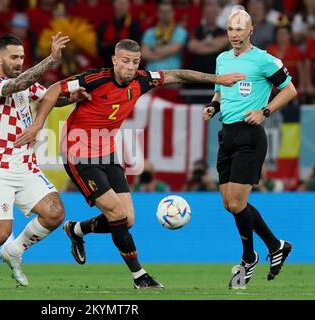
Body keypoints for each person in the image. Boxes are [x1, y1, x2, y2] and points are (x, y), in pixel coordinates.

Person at [14, 38, 245, 289]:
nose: (130, 67)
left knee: (128, 219)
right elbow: (54, 90)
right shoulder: (94, 78)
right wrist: (37, 125)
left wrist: (217, 80)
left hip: (107, 152)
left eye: (135, 62)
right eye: (125, 61)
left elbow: (177, 74)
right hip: (77, 153)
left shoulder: (142, 80)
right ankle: (140, 276)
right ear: (114, 60)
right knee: (116, 214)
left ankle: (77, 230)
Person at [0, 33, 87, 291]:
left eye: (22, 57)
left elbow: (50, 97)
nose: (18, 62)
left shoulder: (24, 82)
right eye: (14, 57)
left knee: (55, 213)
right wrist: (51, 60)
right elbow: (18, 84)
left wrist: (73, 97)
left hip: (26, 167)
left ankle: (15, 251)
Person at [202, 9, 297, 289]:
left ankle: (249, 257)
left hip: (250, 136)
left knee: (236, 203)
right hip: (226, 135)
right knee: (228, 204)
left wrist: (265, 111)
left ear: (251, 30)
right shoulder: (221, 59)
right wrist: (213, 106)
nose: (234, 34)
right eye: (231, 29)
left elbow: (290, 90)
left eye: (240, 29)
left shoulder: (264, 60)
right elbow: (221, 91)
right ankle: (275, 245)